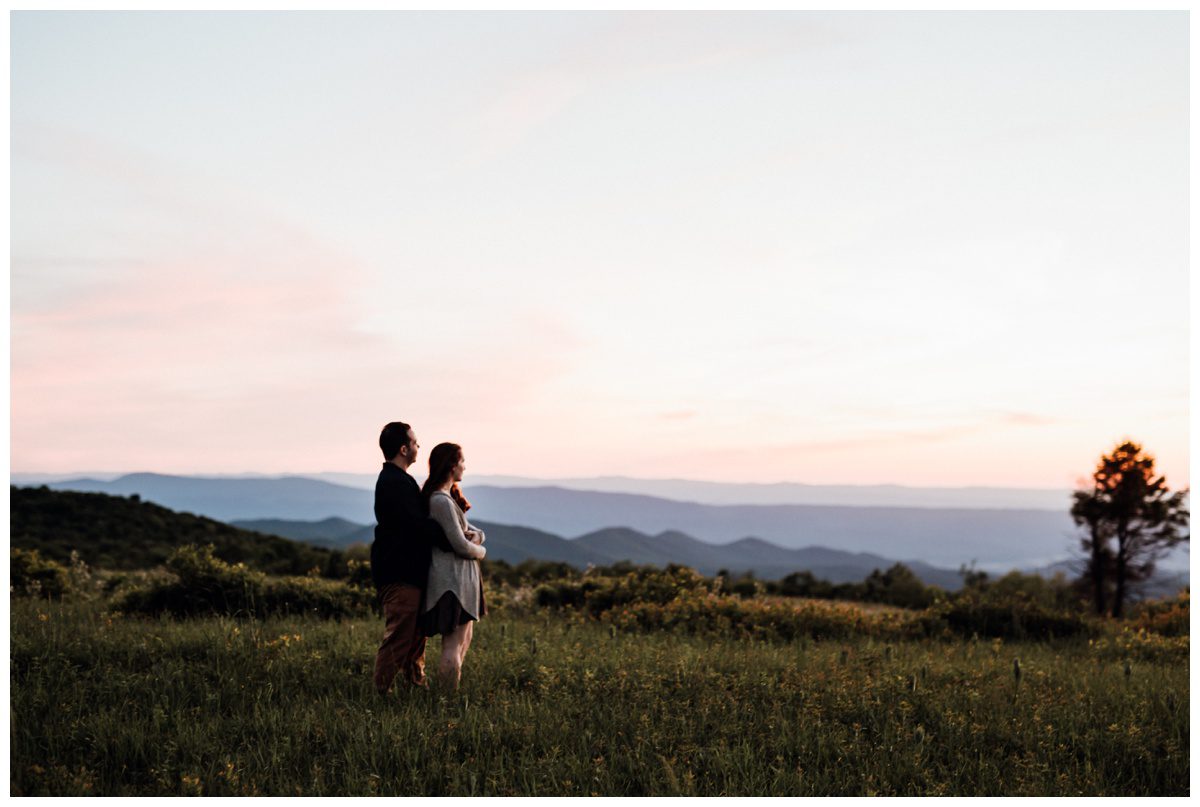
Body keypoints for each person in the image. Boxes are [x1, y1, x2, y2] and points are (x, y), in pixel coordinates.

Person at [370, 421, 456, 695]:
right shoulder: (394, 483)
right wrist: (453, 539)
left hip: (409, 573)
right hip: (399, 574)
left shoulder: (400, 481)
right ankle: (380, 693)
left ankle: (416, 686)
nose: (419, 446)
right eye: (416, 442)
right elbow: (418, 525)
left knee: (415, 634)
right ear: (404, 448)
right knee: (400, 635)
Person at [420, 442, 487, 690]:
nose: (465, 466)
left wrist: (478, 537)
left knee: (463, 640)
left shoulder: (448, 498)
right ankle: (446, 699)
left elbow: (473, 532)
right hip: (452, 583)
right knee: (452, 643)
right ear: (451, 465)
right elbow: (461, 544)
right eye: (462, 461)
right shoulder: (440, 501)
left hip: (462, 582)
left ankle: (449, 695)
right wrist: (481, 551)